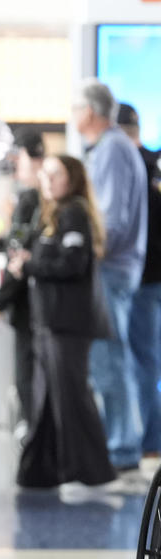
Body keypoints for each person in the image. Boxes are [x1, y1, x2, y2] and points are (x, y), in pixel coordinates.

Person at [7, 155, 117, 491]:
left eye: (56, 174)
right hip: (49, 323)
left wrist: (29, 266)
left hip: (67, 324)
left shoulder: (74, 213)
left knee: (72, 396)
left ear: (73, 179)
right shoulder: (51, 215)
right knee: (49, 398)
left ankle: (95, 472)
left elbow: (72, 263)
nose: (48, 179)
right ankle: (42, 471)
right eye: (46, 173)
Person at [73, 79, 148, 471]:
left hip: (112, 270)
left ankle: (121, 448)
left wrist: (88, 253)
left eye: (75, 108)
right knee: (110, 357)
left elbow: (112, 220)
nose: (73, 116)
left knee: (110, 358)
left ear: (90, 111)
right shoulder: (111, 147)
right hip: (116, 268)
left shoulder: (113, 149)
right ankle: (119, 442)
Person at [0, 129, 46, 435]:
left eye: (18, 158)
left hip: (31, 304)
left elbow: (19, 257)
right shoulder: (36, 199)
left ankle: (35, 431)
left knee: (28, 370)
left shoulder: (32, 198)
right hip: (44, 302)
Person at [119, 103, 161, 466]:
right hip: (149, 278)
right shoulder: (153, 162)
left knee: (144, 362)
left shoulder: (130, 167)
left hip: (143, 279)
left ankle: (149, 441)